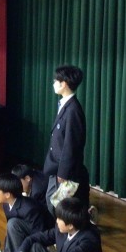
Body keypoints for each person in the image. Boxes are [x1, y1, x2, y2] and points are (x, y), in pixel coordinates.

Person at [43, 65, 90, 217]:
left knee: (57, 205)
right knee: (53, 202)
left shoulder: (73, 110)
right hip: (55, 165)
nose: (53, 83)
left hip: (63, 170)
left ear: (64, 83)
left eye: (55, 80)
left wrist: (63, 172)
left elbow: (71, 145)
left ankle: (78, 222)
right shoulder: (65, 105)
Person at [0, 173, 50, 252]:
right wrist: (8, 249)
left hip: (38, 239)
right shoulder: (6, 204)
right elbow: (10, 232)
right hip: (22, 236)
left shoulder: (29, 208)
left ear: (7, 194)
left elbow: (39, 234)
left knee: (13, 223)